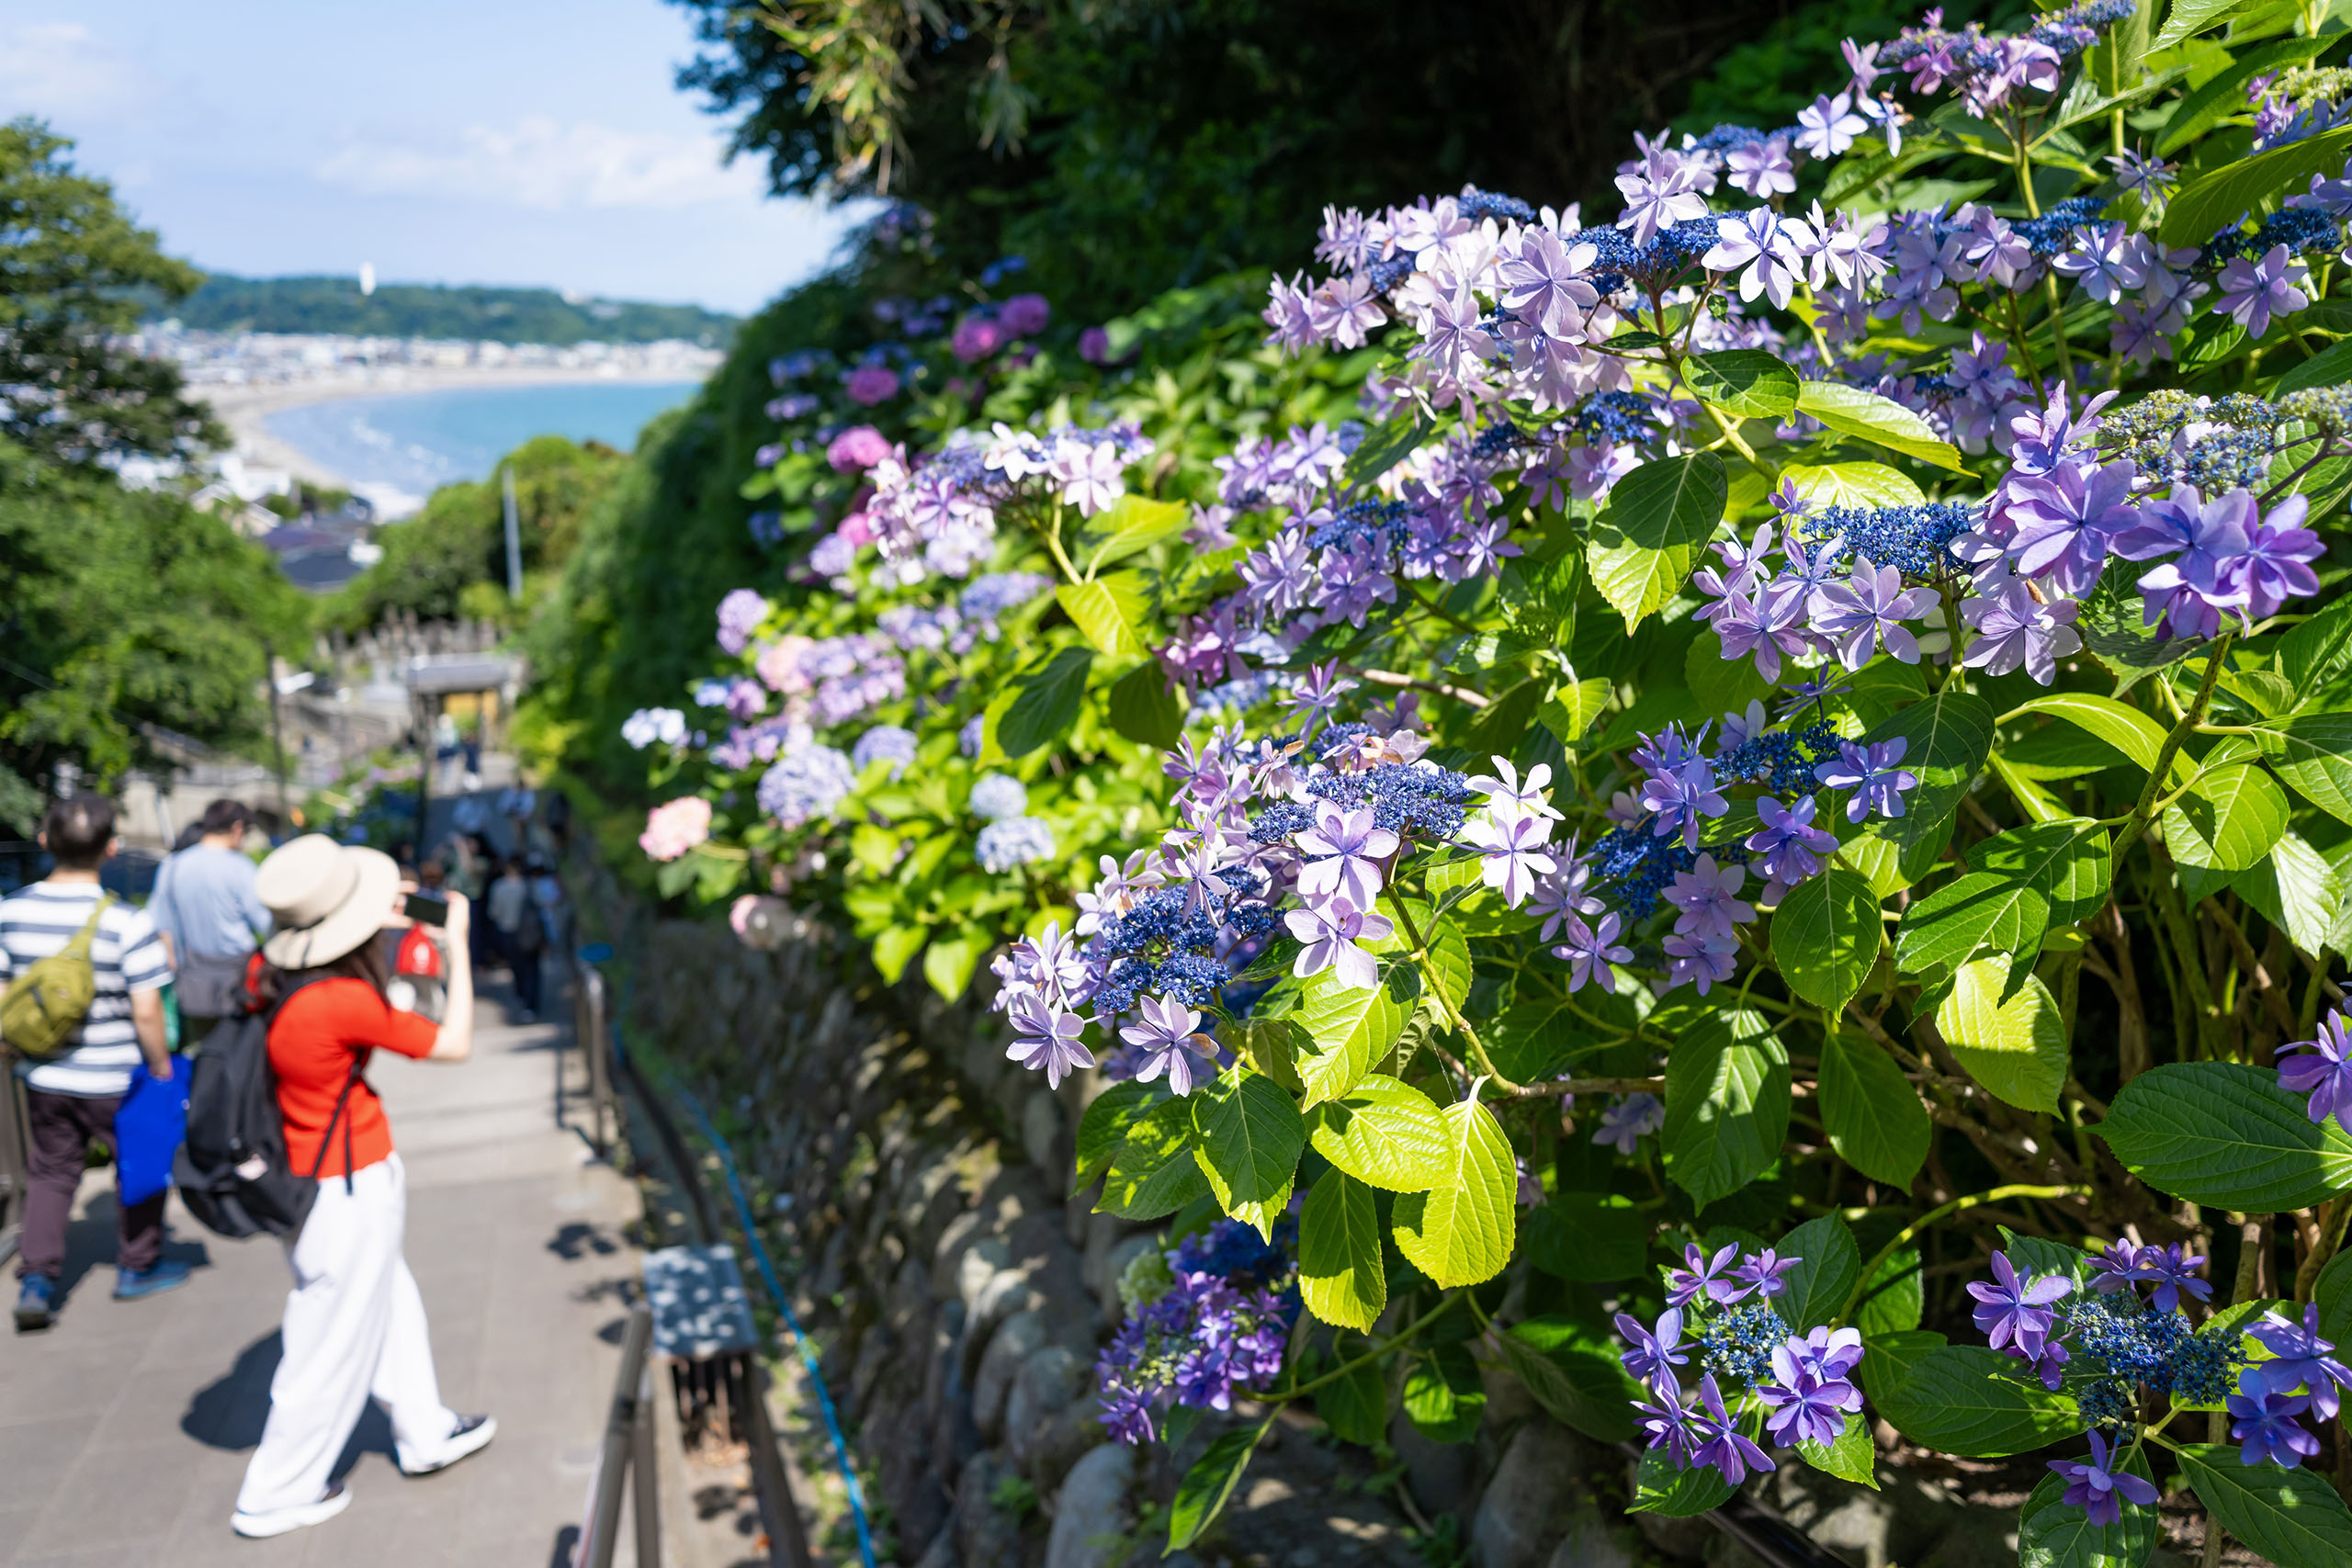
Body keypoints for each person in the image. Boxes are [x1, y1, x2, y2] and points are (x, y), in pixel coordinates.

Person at [230, 834, 494, 1539]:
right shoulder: (339, 999)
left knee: (390, 1301)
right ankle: (276, 1489)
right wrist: (457, 945)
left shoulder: (270, 975)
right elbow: (452, 1042)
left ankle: (424, 1428)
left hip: (311, 1174)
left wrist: (376, 917)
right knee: (328, 1341)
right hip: (343, 1185)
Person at [1, 795, 184, 1330]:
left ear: (44, 842)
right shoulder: (128, 921)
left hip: (43, 1075)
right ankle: (137, 1266)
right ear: (111, 848)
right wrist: (161, 1069)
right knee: (139, 1165)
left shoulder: (10, 913)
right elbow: (147, 1010)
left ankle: (37, 1279)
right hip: (116, 1076)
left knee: (51, 1172)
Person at [149, 797, 270, 1043]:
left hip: (192, 980)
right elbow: (265, 923)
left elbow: (162, 926)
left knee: (201, 1051)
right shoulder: (241, 867)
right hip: (239, 978)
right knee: (239, 1051)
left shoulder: (173, 865)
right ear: (237, 828)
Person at [484, 854, 542, 1020]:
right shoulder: (528, 886)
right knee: (532, 969)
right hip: (530, 934)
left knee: (517, 969)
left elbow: (493, 913)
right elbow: (541, 910)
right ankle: (531, 1004)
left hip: (507, 933)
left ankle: (522, 997)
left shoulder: (498, 887)